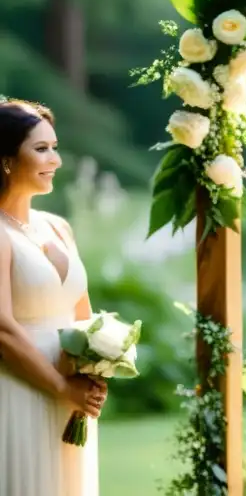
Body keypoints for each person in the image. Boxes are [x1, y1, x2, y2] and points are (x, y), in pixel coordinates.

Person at [0, 98, 106, 496]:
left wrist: (95, 373)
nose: (55, 160)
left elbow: (83, 314)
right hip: (21, 389)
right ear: (6, 159)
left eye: (55, 147)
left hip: (72, 396)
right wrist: (60, 388)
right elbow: (3, 330)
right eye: (41, 149)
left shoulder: (59, 228)